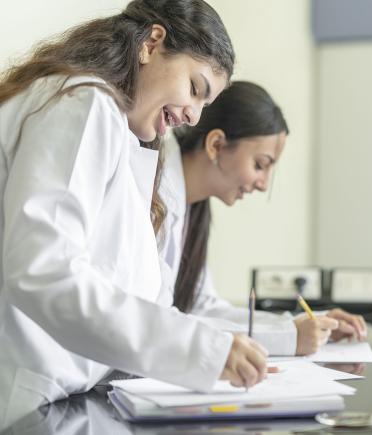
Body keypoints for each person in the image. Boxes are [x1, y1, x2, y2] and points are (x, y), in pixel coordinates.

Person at [0, 1, 268, 428]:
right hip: (29, 401)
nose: (193, 116)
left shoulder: (125, 140)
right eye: (195, 88)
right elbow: (43, 270)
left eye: (205, 103)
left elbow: (145, 301)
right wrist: (200, 349)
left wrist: (215, 347)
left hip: (68, 400)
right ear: (152, 43)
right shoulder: (83, 101)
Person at [158, 81, 368, 357]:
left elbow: (201, 306)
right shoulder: (153, 194)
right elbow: (157, 321)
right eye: (260, 165)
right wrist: (287, 337)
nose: (263, 185)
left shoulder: (194, 209)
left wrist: (309, 323)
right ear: (217, 145)